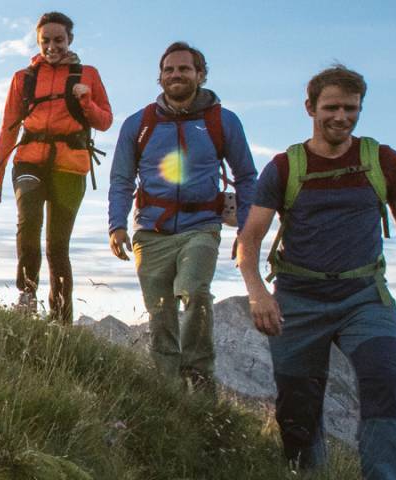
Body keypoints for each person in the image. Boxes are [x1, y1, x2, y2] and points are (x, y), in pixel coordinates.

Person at [235, 63, 396, 479]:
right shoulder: (285, 168)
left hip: (364, 297)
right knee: (297, 409)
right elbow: (249, 237)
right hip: (298, 300)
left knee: (384, 382)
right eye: (331, 108)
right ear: (310, 108)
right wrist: (258, 293)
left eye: (351, 108)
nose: (341, 117)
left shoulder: (382, 161)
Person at [106, 42, 256, 390]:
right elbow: (121, 179)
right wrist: (116, 224)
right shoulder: (138, 124)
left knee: (194, 291)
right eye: (169, 70)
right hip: (150, 231)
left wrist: (247, 231)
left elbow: (248, 177)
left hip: (201, 227)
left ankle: (199, 379)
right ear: (160, 77)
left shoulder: (222, 121)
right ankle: (168, 393)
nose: (176, 75)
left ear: (200, 75)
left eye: (185, 69)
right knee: (160, 315)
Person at [0, 11, 112, 324]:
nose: (52, 46)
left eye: (59, 39)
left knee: (58, 245)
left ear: (70, 39)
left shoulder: (89, 75)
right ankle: (27, 294)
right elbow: (8, 127)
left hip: (70, 166)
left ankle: (60, 321)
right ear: (38, 41)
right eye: (46, 41)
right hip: (29, 159)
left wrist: (86, 101)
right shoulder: (23, 78)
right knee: (28, 219)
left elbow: (105, 121)